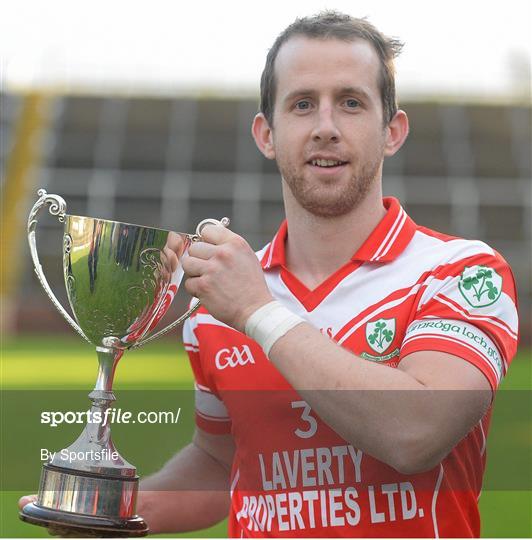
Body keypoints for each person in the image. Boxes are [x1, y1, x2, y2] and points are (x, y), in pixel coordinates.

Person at [20, 11, 519, 538]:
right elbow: (218, 462)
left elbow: (417, 433)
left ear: (391, 131)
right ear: (267, 134)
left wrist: (258, 312)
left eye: (351, 102)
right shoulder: (217, 303)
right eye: (303, 105)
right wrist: (109, 510)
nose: (326, 127)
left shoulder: (461, 273)